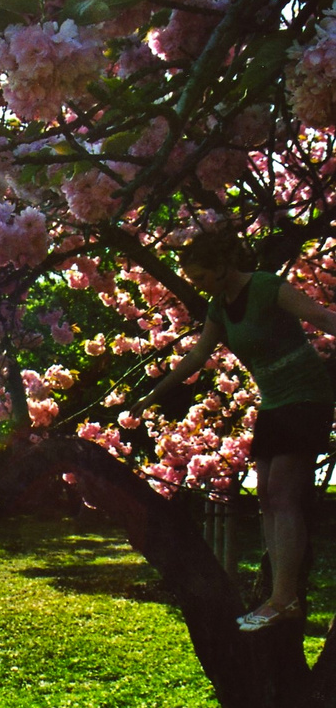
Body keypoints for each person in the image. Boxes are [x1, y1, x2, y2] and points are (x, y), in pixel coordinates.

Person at [130, 230, 336, 631]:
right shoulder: (219, 309)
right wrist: (150, 396)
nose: (197, 285)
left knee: (282, 493)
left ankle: (284, 598)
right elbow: (196, 356)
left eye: (201, 277)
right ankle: (280, 596)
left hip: (307, 397)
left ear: (223, 265)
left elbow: (322, 317)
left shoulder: (265, 286)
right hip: (275, 403)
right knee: (266, 497)